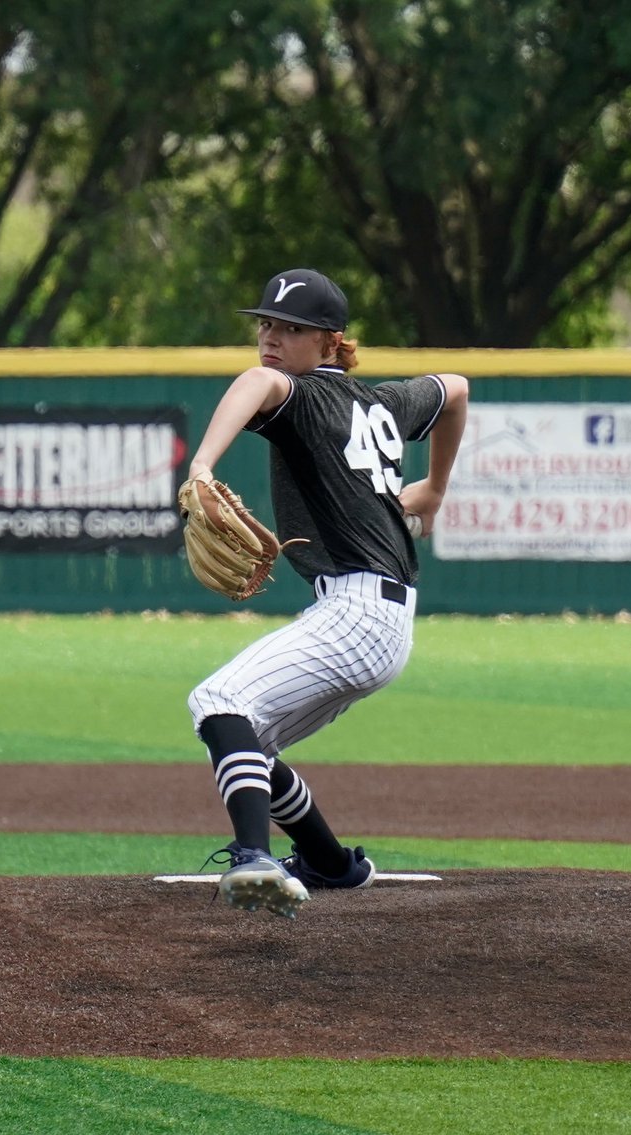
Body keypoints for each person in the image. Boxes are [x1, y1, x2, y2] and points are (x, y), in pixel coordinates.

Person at [184, 267, 469, 918]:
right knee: (249, 740)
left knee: (218, 701)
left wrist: (202, 463)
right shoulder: (384, 402)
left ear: (330, 342)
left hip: (357, 611)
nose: (271, 338)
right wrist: (435, 487)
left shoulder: (305, 397)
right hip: (377, 618)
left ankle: (255, 860)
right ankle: (332, 863)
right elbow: (456, 388)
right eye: (266, 324)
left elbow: (257, 383)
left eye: (291, 329)